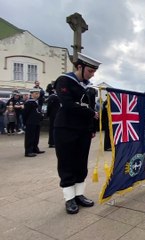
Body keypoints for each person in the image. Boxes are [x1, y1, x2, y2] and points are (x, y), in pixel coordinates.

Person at [54, 52, 101, 214]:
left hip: (83, 130)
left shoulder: (89, 88)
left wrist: (92, 127)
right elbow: (67, 104)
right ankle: (69, 198)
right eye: (90, 71)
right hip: (65, 128)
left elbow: (93, 108)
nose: (92, 74)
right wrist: (88, 112)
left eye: (94, 72)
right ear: (79, 67)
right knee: (66, 162)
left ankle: (79, 194)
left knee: (81, 163)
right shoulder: (64, 80)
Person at [22, 88, 44, 157]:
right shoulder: (29, 102)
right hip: (30, 122)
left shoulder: (36, 102)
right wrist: (25, 122)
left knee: (36, 136)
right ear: (31, 94)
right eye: (36, 93)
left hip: (36, 122)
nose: (37, 95)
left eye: (38, 93)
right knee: (30, 137)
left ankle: (35, 148)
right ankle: (28, 151)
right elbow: (25, 113)